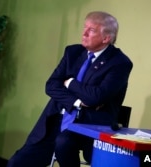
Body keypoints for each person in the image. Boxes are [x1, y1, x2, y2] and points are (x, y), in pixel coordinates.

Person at [7, 11, 133, 167]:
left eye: (91, 30)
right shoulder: (73, 52)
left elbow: (95, 97)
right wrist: (78, 102)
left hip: (90, 124)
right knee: (16, 163)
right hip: (56, 118)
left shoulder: (119, 63)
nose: (84, 33)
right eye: (84, 27)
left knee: (63, 142)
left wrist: (70, 83)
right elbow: (51, 85)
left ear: (106, 38)